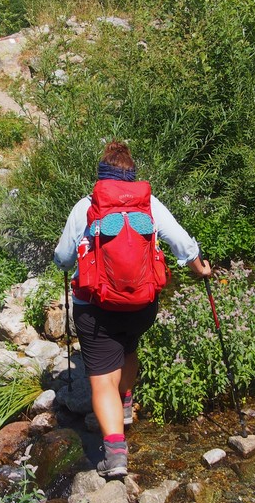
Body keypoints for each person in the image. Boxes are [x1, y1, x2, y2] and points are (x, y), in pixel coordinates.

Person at [54, 140, 212, 478]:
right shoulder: (149, 204)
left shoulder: (86, 206)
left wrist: (60, 263)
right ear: (133, 176)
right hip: (143, 304)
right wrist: (200, 268)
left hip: (95, 306)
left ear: (101, 177)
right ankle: (125, 406)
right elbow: (181, 242)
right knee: (128, 346)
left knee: (101, 381)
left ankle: (115, 455)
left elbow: (64, 258)